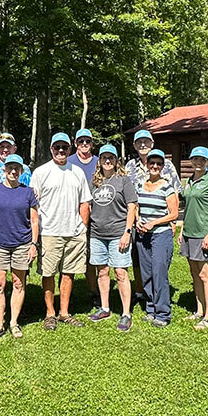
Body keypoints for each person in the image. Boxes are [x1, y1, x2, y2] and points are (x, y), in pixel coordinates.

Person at [33, 132, 93, 331]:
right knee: (48, 273)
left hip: (74, 231)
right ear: (51, 149)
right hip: (49, 231)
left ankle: (64, 312)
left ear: (70, 149)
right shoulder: (41, 172)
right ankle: (50, 313)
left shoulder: (77, 172)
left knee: (69, 273)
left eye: (64, 148)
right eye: (57, 147)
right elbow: (33, 204)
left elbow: (85, 202)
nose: (61, 151)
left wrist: (82, 227)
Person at [0, 154, 39, 340]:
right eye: (10, 168)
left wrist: (33, 244)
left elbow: (34, 220)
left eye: (17, 168)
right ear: (4, 170)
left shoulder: (28, 192)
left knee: (18, 283)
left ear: (21, 171)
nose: (13, 171)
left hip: (22, 244)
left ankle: (14, 322)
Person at [87, 145, 138, 331]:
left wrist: (127, 231)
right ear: (99, 161)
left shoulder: (123, 180)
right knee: (102, 272)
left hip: (118, 233)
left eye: (111, 158)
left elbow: (132, 207)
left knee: (121, 273)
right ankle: (105, 307)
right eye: (104, 158)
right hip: (97, 234)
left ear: (117, 161)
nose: (107, 161)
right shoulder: (95, 182)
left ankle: (126, 313)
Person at [125, 130, 181, 303]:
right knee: (138, 258)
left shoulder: (167, 165)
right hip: (138, 220)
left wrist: (172, 221)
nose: (143, 145)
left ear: (152, 143)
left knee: (158, 264)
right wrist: (135, 219)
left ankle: (160, 301)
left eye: (146, 142)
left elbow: (175, 193)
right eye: (139, 142)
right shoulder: (130, 166)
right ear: (134, 145)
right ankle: (141, 292)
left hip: (160, 223)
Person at [178, 146, 208, 330]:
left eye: (202, 160)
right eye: (195, 159)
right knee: (194, 274)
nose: (198, 162)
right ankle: (199, 310)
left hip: (203, 233)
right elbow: (187, 208)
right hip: (189, 233)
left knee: (205, 274)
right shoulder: (189, 181)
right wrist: (182, 232)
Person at [135, 149, 180, 327]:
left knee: (159, 272)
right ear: (147, 165)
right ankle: (151, 308)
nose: (155, 166)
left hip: (161, 235)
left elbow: (174, 213)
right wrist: (138, 220)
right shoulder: (140, 185)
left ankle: (163, 313)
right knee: (146, 273)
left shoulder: (167, 187)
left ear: (162, 166)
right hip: (143, 235)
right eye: (151, 163)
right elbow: (136, 207)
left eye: (158, 164)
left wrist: (154, 222)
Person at [67, 128, 99, 304]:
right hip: (72, 215)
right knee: (70, 253)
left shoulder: (99, 162)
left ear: (92, 144)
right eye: (81, 141)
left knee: (92, 256)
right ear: (76, 144)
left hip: (97, 215)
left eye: (87, 141)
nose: (84, 144)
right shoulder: (69, 162)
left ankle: (93, 291)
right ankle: (67, 293)